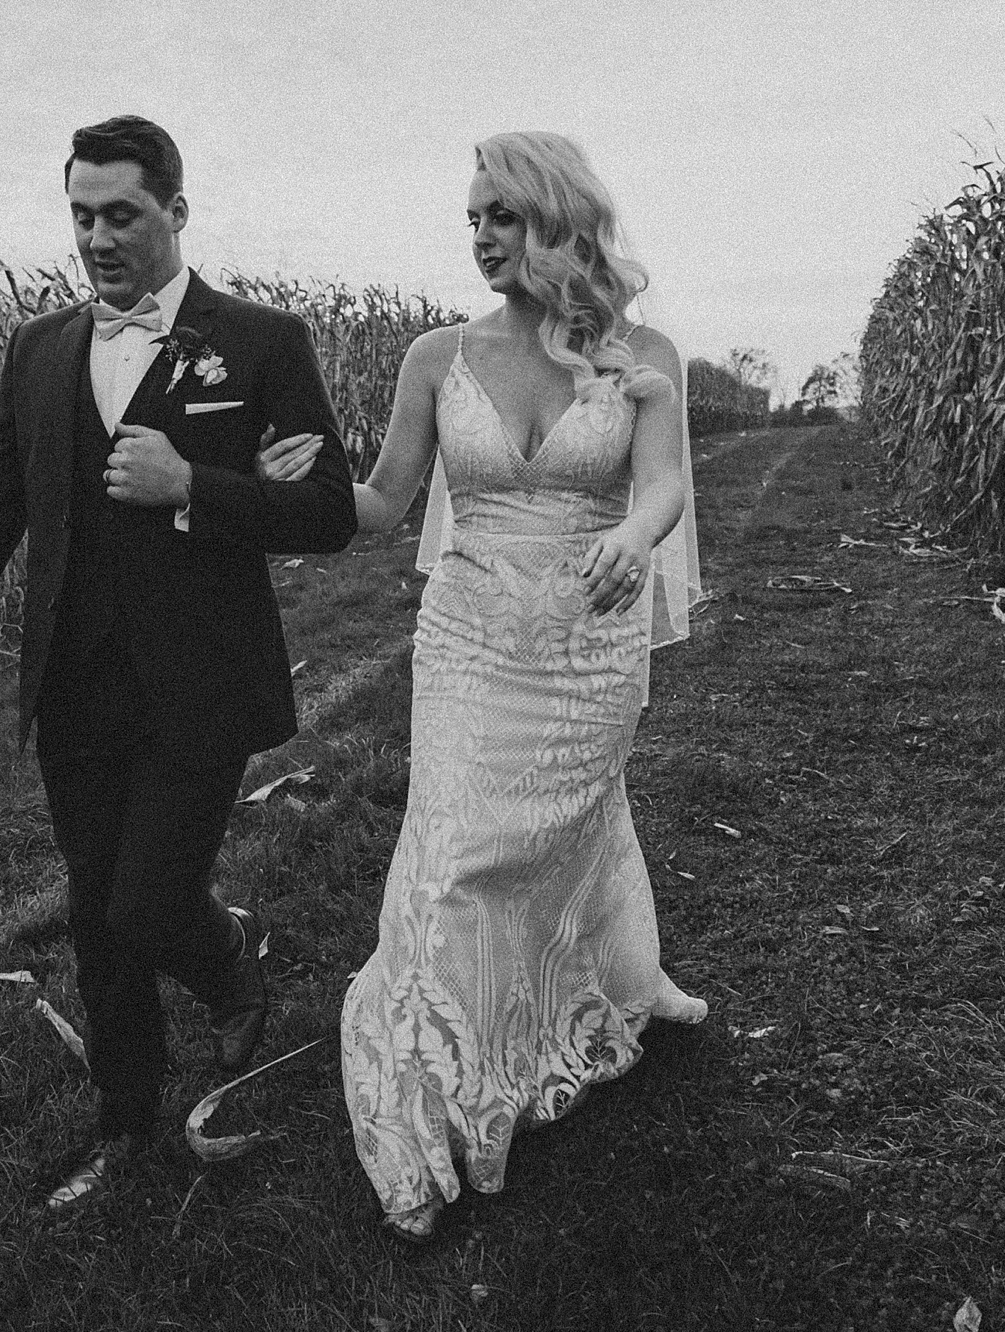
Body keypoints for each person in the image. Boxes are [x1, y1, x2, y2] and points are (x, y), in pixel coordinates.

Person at [0, 115, 357, 1211]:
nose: (96, 237)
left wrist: (196, 485)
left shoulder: (262, 341)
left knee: (145, 904)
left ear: (176, 212)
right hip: (76, 682)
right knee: (98, 919)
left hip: (202, 676)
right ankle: (125, 1127)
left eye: (120, 214)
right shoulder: (39, 349)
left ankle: (228, 962)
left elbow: (326, 511)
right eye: (80, 215)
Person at [258, 131, 707, 1243]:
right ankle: (437, 1093)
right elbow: (378, 503)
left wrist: (634, 543)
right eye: (469, 219)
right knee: (454, 860)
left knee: (560, 834)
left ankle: (576, 992)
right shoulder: (433, 357)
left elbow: (662, 488)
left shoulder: (642, 353)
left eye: (498, 217)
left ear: (554, 220)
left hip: (584, 644)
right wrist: (288, 485)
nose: (478, 238)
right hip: (464, 643)